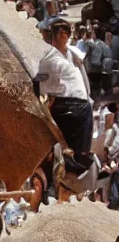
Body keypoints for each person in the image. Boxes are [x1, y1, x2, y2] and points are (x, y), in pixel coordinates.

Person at [39, 18, 93, 175]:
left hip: (72, 103)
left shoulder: (73, 54)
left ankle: (73, 157)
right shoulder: (49, 56)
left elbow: (81, 77)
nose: (48, 38)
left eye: (51, 34)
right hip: (65, 102)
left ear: (64, 35)